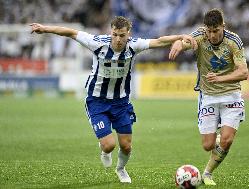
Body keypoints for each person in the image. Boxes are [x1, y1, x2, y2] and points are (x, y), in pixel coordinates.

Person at [30, 16, 196, 184]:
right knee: (109, 144)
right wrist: (45, 28)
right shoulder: (97, 43)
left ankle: (121, 169)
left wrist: (180, 37)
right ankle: (105, 149)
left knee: (126, 145)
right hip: (97, 101)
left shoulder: (134, 45)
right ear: (111, 32)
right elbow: (71, 32)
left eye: (122, 35)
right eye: (115, 34)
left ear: (128, 34)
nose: (118, 39)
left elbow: (159, 41)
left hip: (121, 103)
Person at [169, 8, 248, 186]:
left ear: (223, 27)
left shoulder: (233, 40)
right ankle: (217, 140)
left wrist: (220, 78)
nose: (212, 35)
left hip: (231, 95)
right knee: (207, 145)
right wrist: (179, 44)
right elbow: (187, 41)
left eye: (216, 31)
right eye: (209, 31)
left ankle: (207, 173)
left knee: (227, 140)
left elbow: (243, 72)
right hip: (208, 96)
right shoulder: (201, 35)